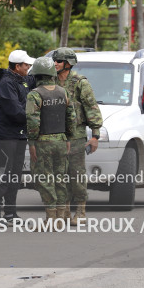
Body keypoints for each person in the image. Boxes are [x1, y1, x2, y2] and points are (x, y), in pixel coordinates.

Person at [53, 47, 103, 224]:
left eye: (59, 61)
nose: (55, 63)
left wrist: (95, 135)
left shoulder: (80, 82)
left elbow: (91, 107)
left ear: (68, 63)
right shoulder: (50, 81)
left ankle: (81, 212)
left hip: (76, 136)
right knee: (59, 174)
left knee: (76, 174)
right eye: (54, 60)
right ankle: (65, 211)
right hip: (56, 136)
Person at [25, 56, 76, 228]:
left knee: (44, 179)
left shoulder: (34, 95)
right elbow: (71, 117)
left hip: (43, 143)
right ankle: (60, 219)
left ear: (37, 75)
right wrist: (68, 138)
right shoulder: (63, 92)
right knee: (60, 179)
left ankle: (51, 219)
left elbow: (32, 121)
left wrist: (32, 143)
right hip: (61, 141)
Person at [0, 49, 36, 221]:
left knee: (15, 175)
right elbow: (16, 112)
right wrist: (35, 118)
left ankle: (10, 212)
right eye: (26, 65)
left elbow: (35, 79)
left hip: (19, 135)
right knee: (4, 174)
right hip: (6, 136)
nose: (29, 67)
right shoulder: (6, 84)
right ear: (17, 66)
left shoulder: (22, 80)